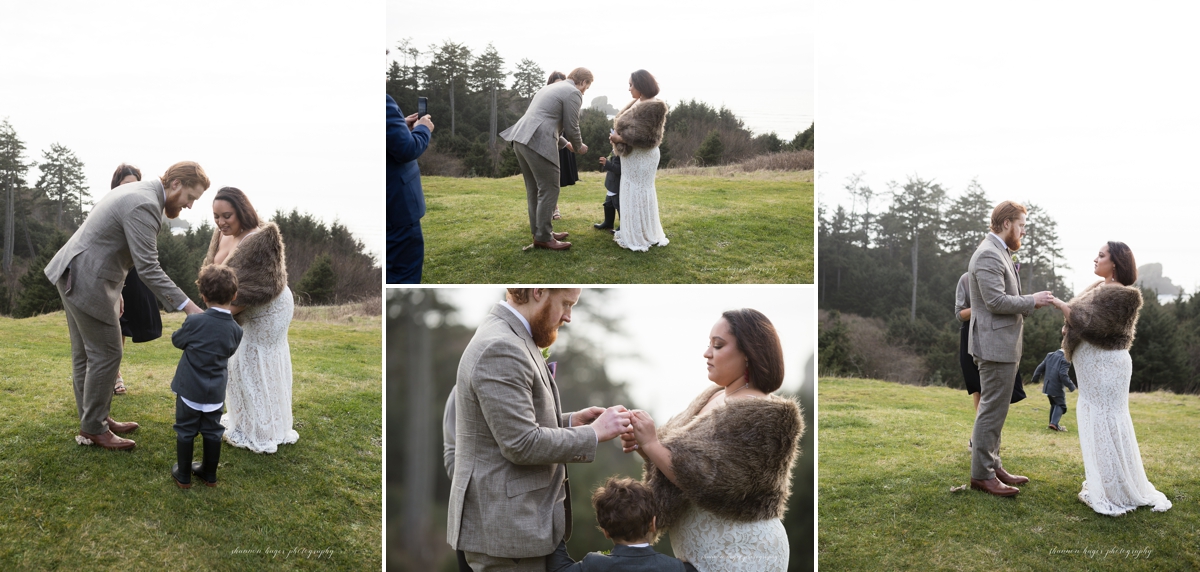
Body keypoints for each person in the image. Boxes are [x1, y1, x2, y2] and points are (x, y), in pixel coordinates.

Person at [446, 288, 632, 572]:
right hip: (508, 534)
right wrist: (593, 434)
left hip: (512, 529)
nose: (569, 316)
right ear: (538, 291)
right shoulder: (501, 346)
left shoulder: (509, 334)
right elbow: (520, 443)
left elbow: (509, 425)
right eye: (566, 303)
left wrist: (569, 422)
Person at [623, 309, 804, 571]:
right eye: (709, 344)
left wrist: (652, 444)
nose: (707, 353)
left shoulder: (764, 414)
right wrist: (644, 444)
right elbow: (678, 456)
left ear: (748, 354)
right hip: (699, 550)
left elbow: (708, 479)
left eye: (718, 345)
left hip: (742, 551)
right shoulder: (713, 395)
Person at [44, 161, 207, 450]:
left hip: (74, 272)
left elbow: (109, 244)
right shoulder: (144, 204)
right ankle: (94, 427)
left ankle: (95, 420)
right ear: (176, 185)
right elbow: (148, 267)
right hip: (86, 280)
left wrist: (118, 291)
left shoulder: (139, 192)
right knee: (107, 352)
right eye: (190, 197)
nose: (191, 205)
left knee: (86, 354)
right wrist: (189, 306)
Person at [1050, 241, 1171, 515]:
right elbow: (1082, 320)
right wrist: (1070, 324)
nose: (1096, 258)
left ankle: (1115, 488)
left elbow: (1094, 325)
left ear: (1115, 263)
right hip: (1092, 364)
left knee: (1105, 419)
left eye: (1101, 255)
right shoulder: (1100, 288)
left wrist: (1060, 306)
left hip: (1105, 366)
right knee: (1098, 419)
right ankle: (1106, 481)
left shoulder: (1124, 295)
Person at [965, 201, 1055, 497]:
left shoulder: (999, 252)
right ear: (1006, 223)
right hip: (993, 347)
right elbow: (996, 302)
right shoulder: (988, 254)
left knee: (997, 410)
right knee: (990, 411)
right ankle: (982, 475)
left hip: (1001, 345)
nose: (1024, 232)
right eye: (1021, 225)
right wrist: (1033, 300)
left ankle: (993, 466)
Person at [202, 187, 298, 454]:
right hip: (235, 307)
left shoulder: (259, 241)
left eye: (227, 216)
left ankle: (264, 429)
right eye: (216, 216)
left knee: (252, 362)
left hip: (269, 309)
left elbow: (261, 286)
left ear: (242, 211)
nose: (221, 222)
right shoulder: (221, 235)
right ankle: (243, 422)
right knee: (236, 365)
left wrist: (215, 316)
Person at [499, 68, 591, 251]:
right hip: (537, 142)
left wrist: (565, 144)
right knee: (550, 187)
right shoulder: (573, 92)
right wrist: (579, 146)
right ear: (583, 82)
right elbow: (572, 126)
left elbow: (543, 118)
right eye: (586, 88)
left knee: (534, 189)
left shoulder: (547, 89)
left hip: (520, 138)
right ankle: (543, 237)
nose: (584, 91)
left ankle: (540, 232)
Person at [169, 265, 243, 488]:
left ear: (202, 295)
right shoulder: (236, 330)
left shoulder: (194, 321)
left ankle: (183, 476)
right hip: (215, 391)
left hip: (189, 389)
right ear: (234, 295)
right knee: (213, 431)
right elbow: (229, 351)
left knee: (185, 429)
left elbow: (177, 341)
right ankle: (209, 474)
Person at [546, 477, 699, 572]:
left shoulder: (594, 565)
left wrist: (553, 510)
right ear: (653, 523)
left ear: (606, 532)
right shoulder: (675, 568)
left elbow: (558, 568)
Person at [110, 163, 164, 396]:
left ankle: (114, 372)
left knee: (125, 322)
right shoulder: (110, 207)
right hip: (113, 271)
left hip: (134, 272)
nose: (131, 189)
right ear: (116, 186)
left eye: (135, 184)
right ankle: (114, 375)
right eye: (125, 184)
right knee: (114, 324)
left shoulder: (142, 207)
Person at [611, 70, 669, 252]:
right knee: (630, 191)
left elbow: (648, 137)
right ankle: (634, 231)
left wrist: (620, 139)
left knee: (639, 192)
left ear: (641, 85)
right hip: (632, 156)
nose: (629, 89)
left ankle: (641, 234)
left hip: (643, 156)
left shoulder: (655, 106)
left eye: (631, 85)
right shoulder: (639, 101)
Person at [386, 93, 434, 283]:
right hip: (400, 208)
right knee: (405, 274)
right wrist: (423, 129)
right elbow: (407, 149)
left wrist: (400, 126)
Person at [546, 70, 580, 222]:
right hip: (548, 138)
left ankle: (553, 207)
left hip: (562, 137)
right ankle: (553, 209)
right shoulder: (546, 96)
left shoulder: (569, 95)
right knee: (547, 177)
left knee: (557, 177)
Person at [1031, 347, 1075, 432]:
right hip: (1056, 387)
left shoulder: (1050, 355)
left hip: (1047, 387)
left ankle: (1053, 424)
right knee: (1061, 405)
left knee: (1054, 404)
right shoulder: (1065, 359)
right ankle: (1054, 424)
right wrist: (1071, 386)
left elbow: (1040, 367)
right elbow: (1063, 374)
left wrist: (1035, 378)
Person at [594, 154, 621, 233]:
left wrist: (607, 163)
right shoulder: (615, 149)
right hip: (611, 183)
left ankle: (622, 227)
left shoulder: (622, 150)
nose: (610, 141)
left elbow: (619, 169)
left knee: (619, 206)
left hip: (617, 184)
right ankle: (608, 223)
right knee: (608, 203)